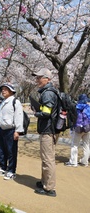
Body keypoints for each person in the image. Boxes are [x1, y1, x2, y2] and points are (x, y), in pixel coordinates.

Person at [32, 68, 59, 197]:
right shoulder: (49, 92)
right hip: (49, 130)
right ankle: (44, 182)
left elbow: (46, 113)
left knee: (48, 159)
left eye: (39, 77)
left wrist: (36, 112)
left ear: (47, 79)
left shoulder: (47, 93)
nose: (37, 80)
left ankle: (49, 188)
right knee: (46, 158)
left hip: (48, 130)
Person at [0, 83, 24, 180]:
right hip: (2, 129)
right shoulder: (4, 102)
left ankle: (11, 171)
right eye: (2, 89)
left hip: (11, 130)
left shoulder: (15, 102)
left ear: (11, 91)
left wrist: (18, 131)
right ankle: (3, 167)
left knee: (11, 151)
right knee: (1, 150)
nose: (3, 91)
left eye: (6, 89)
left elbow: (18, 116)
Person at [64, 94, 90, 167]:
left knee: (75, 145)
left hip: (77, 128)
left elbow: (72, 118)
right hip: (87, 129)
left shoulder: (76, 107)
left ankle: (73, 162)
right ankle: (85, 162)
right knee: (86, 145)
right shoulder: (88, 108)